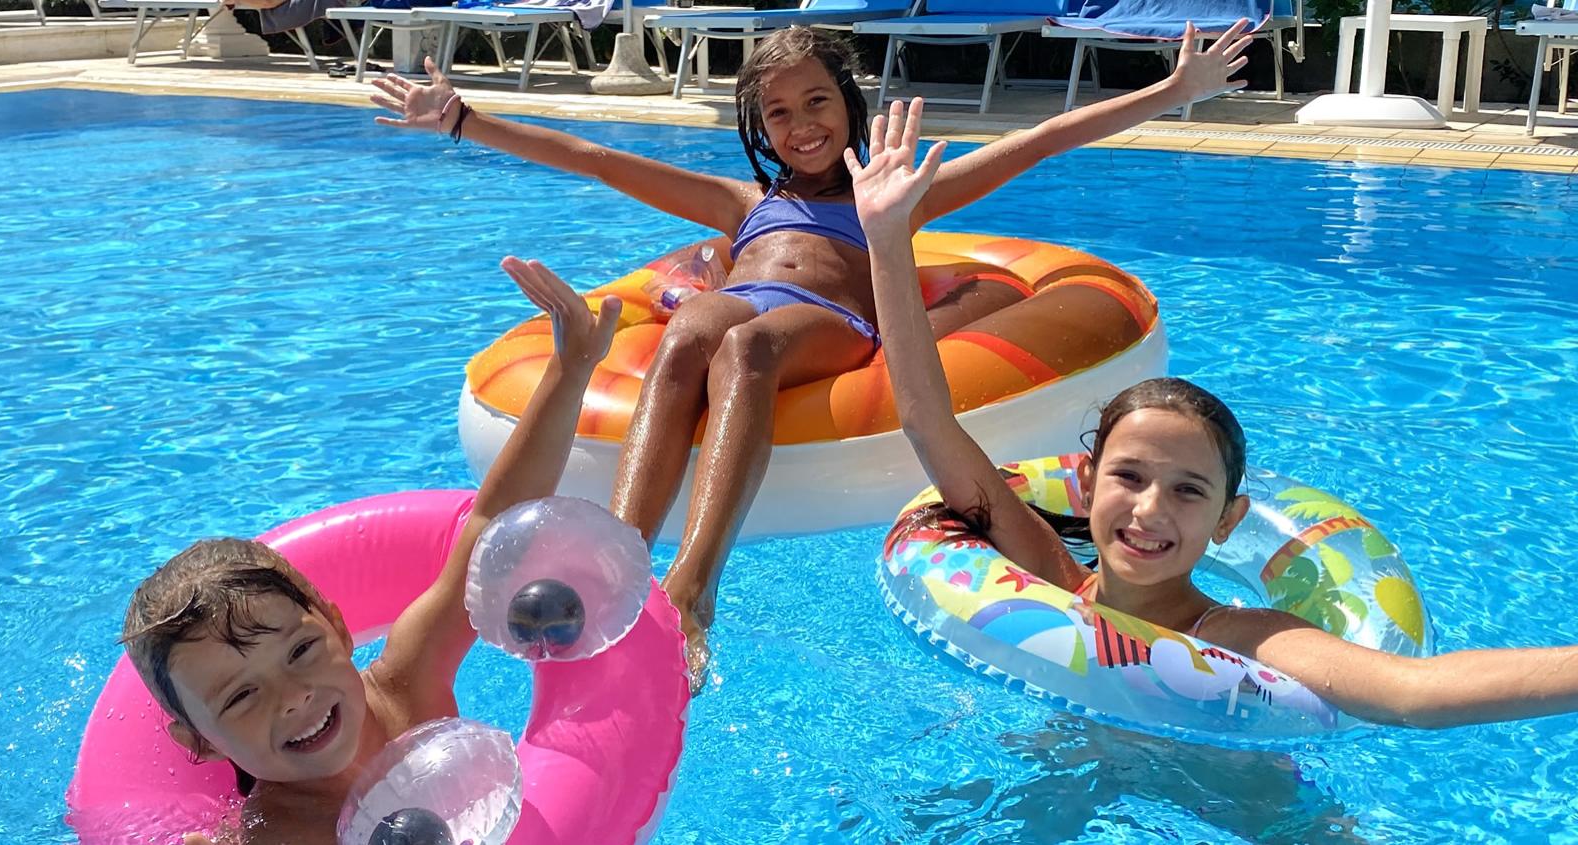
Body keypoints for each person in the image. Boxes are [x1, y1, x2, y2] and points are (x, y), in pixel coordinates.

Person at [370, 23, 1255, 685]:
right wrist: (464, 120)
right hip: (737, 304)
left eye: (817, 103)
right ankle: (621, 560)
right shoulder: (742, 201)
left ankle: (692, 587)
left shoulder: (893, 195)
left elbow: (1043, 141)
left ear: (851, 104)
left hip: (826, 325)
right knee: (687, 336)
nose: (800, 125)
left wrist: (1172, 92)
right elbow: (598, 159)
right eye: (779, 112)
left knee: (747, 346)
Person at [849, 94, 1578, 729]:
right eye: (1129, 476)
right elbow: (925, 418)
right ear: (1088, 481)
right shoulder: (1048, 575)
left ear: (1229, 520)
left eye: (1189, 489)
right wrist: (886, 239)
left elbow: (1410, 693)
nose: (1150, 508)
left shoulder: (1238, 634)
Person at [122, 259, 622, 844]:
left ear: (336, 624)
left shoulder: (411, 679)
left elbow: (491, 529)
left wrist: (571, 367)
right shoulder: (276, 835)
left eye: (301, 649)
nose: (294, 696)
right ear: (201, 742)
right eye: (241, 696)